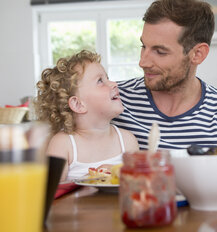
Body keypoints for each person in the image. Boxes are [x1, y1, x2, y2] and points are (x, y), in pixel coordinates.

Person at [112, 0, 217, 150]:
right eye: (144, 46)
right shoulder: (114, 100)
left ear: (197, 54)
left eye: (160, 51)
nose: (142, 62)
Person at [35, 50, 139, 181]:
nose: (114, 84)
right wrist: (91, 179)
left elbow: (137, 184)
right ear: (78, 104)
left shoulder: (127, 140)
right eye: (100, 81)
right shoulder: (63, 144)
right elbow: (51, 192)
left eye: (108, 78)